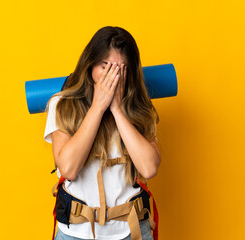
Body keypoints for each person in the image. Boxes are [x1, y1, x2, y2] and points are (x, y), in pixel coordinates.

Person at [44, 26, 161, 240]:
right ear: (90, 65)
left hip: (132, 230)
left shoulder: (140, 108)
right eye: (105, 66)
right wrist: (98, 107)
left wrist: (116, 110)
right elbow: (68, 168)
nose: (111, 76)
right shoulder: (61, 105)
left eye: (120, 69)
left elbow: (149, 167)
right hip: (75, 233)